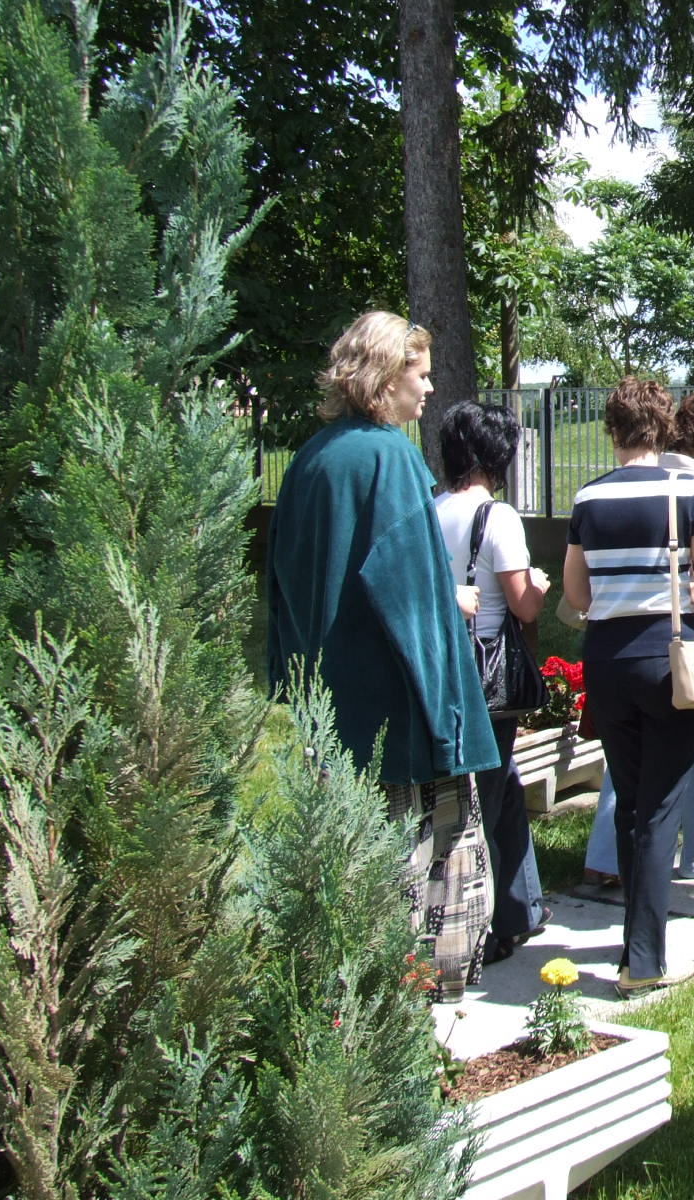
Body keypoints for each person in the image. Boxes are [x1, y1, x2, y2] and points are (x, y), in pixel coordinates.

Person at [266, 312, 499, 1003]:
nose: (428, 389)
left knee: (349, 874)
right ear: (383, 377)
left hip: (330, 710)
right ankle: (409, 1022)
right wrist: (450, 722)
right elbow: (412, 601)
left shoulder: (310, 459)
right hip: (398, 723)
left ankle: (350, 1011)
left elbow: (282, 587)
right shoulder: (388, 457)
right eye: (418, 374)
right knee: (422, 878)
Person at [561, 378, 694, 996]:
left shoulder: (588, 496)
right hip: (668, 658)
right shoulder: (688, 490)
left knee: (630, 802)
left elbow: (576, 594)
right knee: (657, 810)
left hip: (607, 661)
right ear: (663, 427)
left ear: (612, 428)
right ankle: (645, 961)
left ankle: (636, 943)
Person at [582, 391, 694, 888]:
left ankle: (605, 857)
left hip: (615, 640)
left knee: (626, 758)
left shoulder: (614, 486)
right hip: (689, 636)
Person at [432, 400, 554, 966]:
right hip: (489, 672)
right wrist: (540, 586)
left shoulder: (432, 509)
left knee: (501, 784)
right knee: (488, 794)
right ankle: (487, 924)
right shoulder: (497, 517)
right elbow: (522, 605)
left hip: (447, 663)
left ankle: (521, 908)